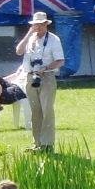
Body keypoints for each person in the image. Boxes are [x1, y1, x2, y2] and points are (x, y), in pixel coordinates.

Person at [16, 11, 64, 152]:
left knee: (47, 110)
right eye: (35, 24)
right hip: (30, 77)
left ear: (46, 24)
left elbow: (60, 61)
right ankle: (37, 143)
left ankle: (47, 144)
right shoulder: (31, 38)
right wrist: (28, 34)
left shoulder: (54, 39)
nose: (37, 27)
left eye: (40, 24)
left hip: (47, 77)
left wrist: (45, 68)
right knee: (35, 111)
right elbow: (19, 51)